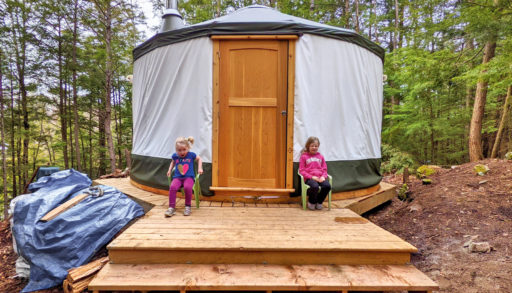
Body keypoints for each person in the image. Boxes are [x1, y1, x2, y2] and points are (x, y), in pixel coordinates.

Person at [165, 136, 203, 217]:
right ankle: (171, 207)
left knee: (187, 187)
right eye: (179, 150)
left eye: (184, 150)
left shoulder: (191, 155)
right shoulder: (175, 156)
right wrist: (169, 170)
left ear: (188, 148)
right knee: (172, 187)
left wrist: (200, 168)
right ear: (176, 150)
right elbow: (172, 162)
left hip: (189, 177)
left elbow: (199, 159)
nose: (182, 152)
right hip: (178, 177)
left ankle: (188, 206)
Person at [299, 136, 331, 210]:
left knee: (327, 186)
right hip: (310, 178)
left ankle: (319, 202)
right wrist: (312, 177)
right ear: (308, 146)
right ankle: (312, 202)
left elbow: (324, 169)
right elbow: (302, 170)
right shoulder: (304, 157)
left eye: (316, 146)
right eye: (312, 146)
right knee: (314, 186)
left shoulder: (321, 157)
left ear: (318, 146)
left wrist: (323, 176)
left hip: (320, 177)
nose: (314, 147)